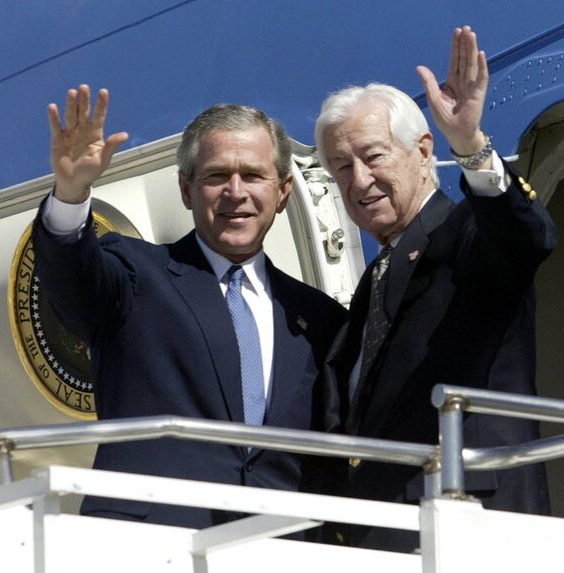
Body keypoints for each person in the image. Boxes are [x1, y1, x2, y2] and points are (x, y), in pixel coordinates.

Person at [32, 85, 347, 529]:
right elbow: (72, 279)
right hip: (152, 543)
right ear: (186, 189)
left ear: (283, 191)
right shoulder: (137, 274)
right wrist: (70, 194)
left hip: (280, 548)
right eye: (217, 176)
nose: (235, 192)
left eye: (253, 176)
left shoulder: (321, 319)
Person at [315, 26, 557, 550]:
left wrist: (470, 147)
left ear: (423, 150)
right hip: (385, 532)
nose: (359, 181)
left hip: (469, 520)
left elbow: (526, 236)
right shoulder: (368, 286)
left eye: (374, 156)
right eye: (342, 166)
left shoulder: (468, 234)